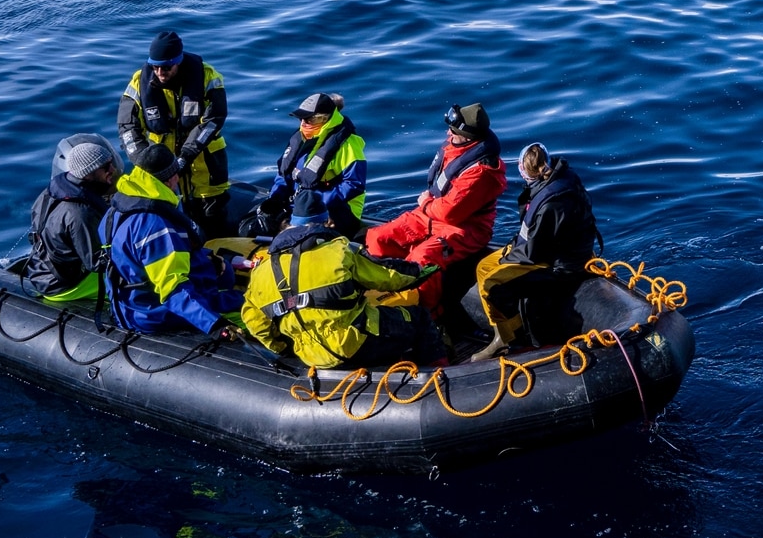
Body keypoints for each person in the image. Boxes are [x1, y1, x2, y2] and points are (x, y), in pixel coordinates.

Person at [365, 103, 505, 334]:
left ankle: (427, 316)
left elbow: (451, 213)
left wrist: (426, 203)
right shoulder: (455, 150)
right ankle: (385, 292)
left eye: (455, 132)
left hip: (463, 228)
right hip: (431, 215)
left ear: (468, 138)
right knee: (378, 237)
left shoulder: (482, 171)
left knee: (423, 256)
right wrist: (428, 205)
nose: (449, 134)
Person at [464, 143, 602, 361]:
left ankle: (513, 341)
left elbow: (532, 253)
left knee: (494, 283)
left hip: (561, 264)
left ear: (524, 171)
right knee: (483, 266)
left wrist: (508, 257)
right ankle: (502, 333)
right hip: (548, 250)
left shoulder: (552, 203)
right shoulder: (558, 179)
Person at [236, 222, 437, 370]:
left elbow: (255, 322)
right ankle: (437, 371)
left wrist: (283, 348)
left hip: (308, 354)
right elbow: (388, 277)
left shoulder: (260, 272)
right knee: (419, 317)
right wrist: (423, 270)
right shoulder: (338, 250)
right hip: (355, 343)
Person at [101, 145, 239, 336]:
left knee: (227, 273)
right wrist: (214, 324)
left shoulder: (118, 207)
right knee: (249, 302)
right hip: (154, 312)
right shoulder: (157, 227)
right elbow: (172, 290)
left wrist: (208, 259)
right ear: (170, 179)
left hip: (130, 301)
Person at [116, 29, 233, 238]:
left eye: (167, 67)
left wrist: (184, 157)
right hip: (162, 170)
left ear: (179, 61)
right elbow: (127, 127)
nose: (161, 73)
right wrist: (147, 163)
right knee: (168, 221)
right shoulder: (138, 83)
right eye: (156, 67)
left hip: (205, 164)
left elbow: (214, 119)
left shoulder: (207, 77)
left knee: (214, 218)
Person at [251, 91, 368, 239]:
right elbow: (284, 173)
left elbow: (354, 185)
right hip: (300, 203)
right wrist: (276, 198)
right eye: (302, 119)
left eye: (311, 120)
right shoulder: (299, 138)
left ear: (325, 118)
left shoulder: (349, 145)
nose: (304, 124)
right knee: (257, 225)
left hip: (336, 209)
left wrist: (314, 201)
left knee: (300, 236)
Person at [25, 133, 119, 305]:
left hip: (41, 271)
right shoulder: (80, 213)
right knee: (137, 284)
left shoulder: (49, 193)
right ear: (88, 174)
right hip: (64, 285)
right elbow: (97, 263)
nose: (112, 170)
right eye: (106, 167)